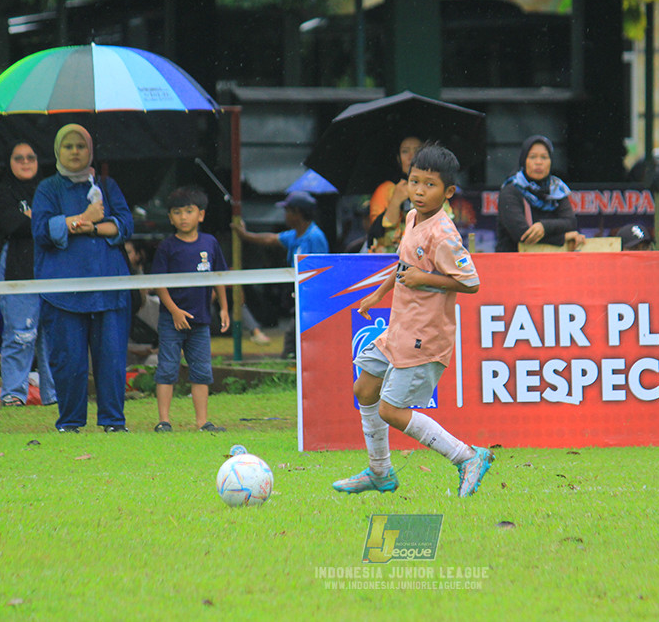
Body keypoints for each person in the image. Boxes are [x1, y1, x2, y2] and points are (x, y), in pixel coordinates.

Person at [332, 143, 494, 498]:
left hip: (425, 337)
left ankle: (467, 457)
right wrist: (378, 294)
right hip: (400, 329)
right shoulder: (411, 218)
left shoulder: (444, 234)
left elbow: (471, 282)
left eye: (430, 185)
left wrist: (426, 279)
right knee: (365, 388)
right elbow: (405, 266)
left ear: (448, 192)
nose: (419, 191)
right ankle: (380, 473)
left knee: (391, 410)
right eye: (414, 182)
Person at [32, 123, 134, 433]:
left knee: (112, 359)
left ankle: (113, 422)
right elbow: (41, 231)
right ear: (57, 151)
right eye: (68, 146)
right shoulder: (48, 189)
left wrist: (92, 227)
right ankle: (70, 422)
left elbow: (125, 225)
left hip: (109, 289)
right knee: (69, 360)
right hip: (63, 291)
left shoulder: (106, 185)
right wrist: (82, 219)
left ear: (90, 151)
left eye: (81, 146)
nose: (75, 152)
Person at [150, 186, 230, 433]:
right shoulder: (166, 247)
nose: (183, 217)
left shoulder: (210, 243)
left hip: (201, 320)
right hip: (171, 320)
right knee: (167, 368)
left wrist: (224, 308)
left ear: (201, 215)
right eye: (177, 212)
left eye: (189, 211)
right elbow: (159, 284)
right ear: (170, 217)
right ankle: (164, 421)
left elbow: (219, 277)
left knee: (202, 370)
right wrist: (174, 311)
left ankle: (202, 422)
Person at [0, 140, 57, 407]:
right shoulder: (1, 191)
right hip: (17, 269)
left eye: (31, 157)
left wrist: (33, 219)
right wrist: (44, 222)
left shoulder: (51, 189)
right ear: (9, 162)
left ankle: (55, 396)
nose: (26, 162)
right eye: (19, 158)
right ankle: (14, 394)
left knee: (53, 335)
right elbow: (12, 225)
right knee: (20, 334)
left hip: (51, 269)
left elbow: (62, 226)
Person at [234, 190, 329, 358]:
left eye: (287, 211)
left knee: (297, 337)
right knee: (295, 335)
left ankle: (292, 362)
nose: (284, 215)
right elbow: (270, 239)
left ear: (297, 213)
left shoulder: (315, 237)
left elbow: (322, 270)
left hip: (312, 299)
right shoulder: (295, 235)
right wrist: (245, 235)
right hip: (298, 296)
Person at [496, 135, 581, 252]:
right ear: (524, 161)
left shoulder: (556, 189)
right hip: (513, 259)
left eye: (544, 157)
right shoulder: (510, 191)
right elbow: (523, 235)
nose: (538, 162)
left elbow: (570, 222)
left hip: (550, 260)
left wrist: (544, 227)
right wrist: (563, 238)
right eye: (532, 157)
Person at [366, 135, 422, 253]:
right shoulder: (386, 189)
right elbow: (377, 235)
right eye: (405, 151)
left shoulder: (434, 189)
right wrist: (396, 201)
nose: (411, 157)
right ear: (398, 158)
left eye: (417, 151)